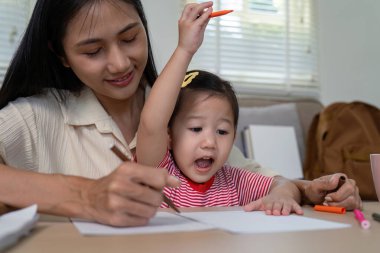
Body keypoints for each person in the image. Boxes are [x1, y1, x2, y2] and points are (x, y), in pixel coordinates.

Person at [0, 0, 361, 227]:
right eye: (93, 50)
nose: (121, 62)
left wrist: (314, 191)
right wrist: (83, 196)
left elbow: (251, 180)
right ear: (60, 54)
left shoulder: (188, 113)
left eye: (129, 38)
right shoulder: (36, 119)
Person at [137, 69, 303, 215]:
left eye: (222, 132)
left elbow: (284, 184)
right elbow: (151, 124)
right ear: (169, 136)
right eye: (196, 129)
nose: (210, 142)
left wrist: (282, 195)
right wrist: (185, 49)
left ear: (233, 139)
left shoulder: (235, 182)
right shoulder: (160, 173)